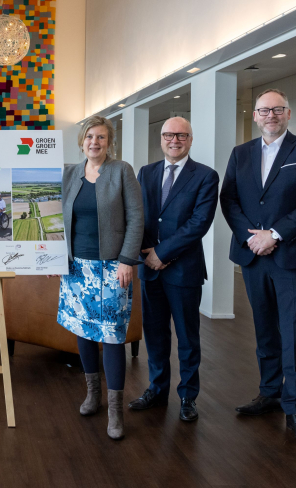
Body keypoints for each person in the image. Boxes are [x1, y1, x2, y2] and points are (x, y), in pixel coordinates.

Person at [220, 88, 296, 443]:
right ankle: (269, 392)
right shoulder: (241, 154)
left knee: (295, 333)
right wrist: (252, 238)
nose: (271, 115)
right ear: (254, 116)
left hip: (294, 258)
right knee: (265, 330)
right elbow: (229, 199)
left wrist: (275, 235)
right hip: (253, 257)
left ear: (288, 114)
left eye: (278, 109)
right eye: (264, 110)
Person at [56, 115, 143, 440]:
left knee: (112, 337)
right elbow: (54, 216)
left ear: (110, 142)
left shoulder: (122, 171)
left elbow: (136, 218)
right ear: (82, 141)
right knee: (83, 331)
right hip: (77, 268)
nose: (95, 142)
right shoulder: (70, 173)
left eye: (101, 138)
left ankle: (115, 411)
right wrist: (52, 256)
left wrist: (126, 260)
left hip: (112, 269)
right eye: (90, 136)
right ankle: (93, 394)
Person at [128, 117, 219, 422]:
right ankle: (157, 388)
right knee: (155, 334)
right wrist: (147, 255)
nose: (174, 140)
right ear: (162, 139)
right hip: (149, 270)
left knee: (187, 337)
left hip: (184, 270)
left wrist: (162, 253)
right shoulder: (147, 172)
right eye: (169, 135)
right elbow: (137, 216)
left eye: (181, 135)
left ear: (190, 139)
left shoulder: (206, 176)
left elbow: (199, 224)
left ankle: (188, 396)